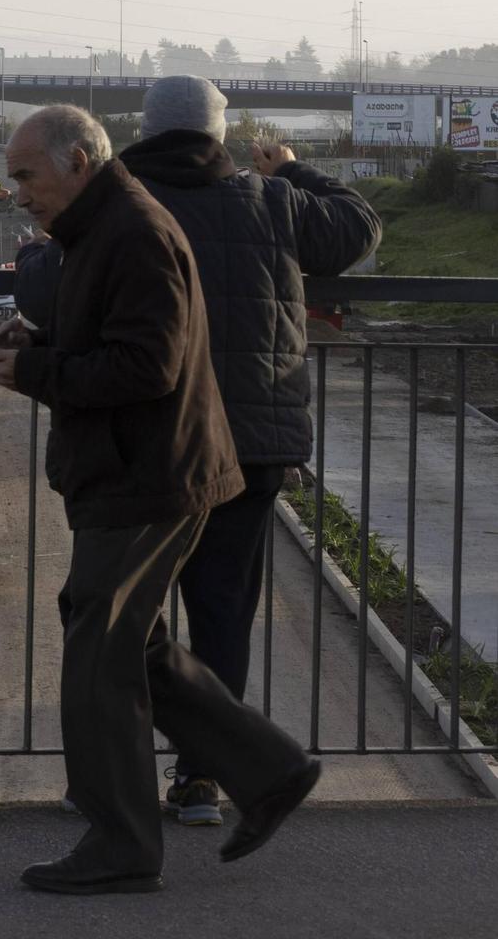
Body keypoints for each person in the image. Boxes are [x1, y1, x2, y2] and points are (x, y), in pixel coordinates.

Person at [0, 105, 319, 896]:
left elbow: (145, 369)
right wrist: (38, 346)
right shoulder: (105, 225)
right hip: (138, 470)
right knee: (134, 647)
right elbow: (118, 345)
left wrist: (32, 373)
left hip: (149, 475)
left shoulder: (131, 232)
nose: (16, 192)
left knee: (98, 655)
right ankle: (269, 771)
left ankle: (121, 841)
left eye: (26, 175)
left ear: (78, 161)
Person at [109, 75, 380, 823]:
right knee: (222, 614)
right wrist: (290, 166)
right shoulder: (270, 200)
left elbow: (48, 287)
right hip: (249, 443)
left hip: (142, 440)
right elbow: (356, 229)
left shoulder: (119, 202)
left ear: (146, 128)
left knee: (119, 615)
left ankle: (109, 780)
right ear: (218, 134)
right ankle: (201, 780)